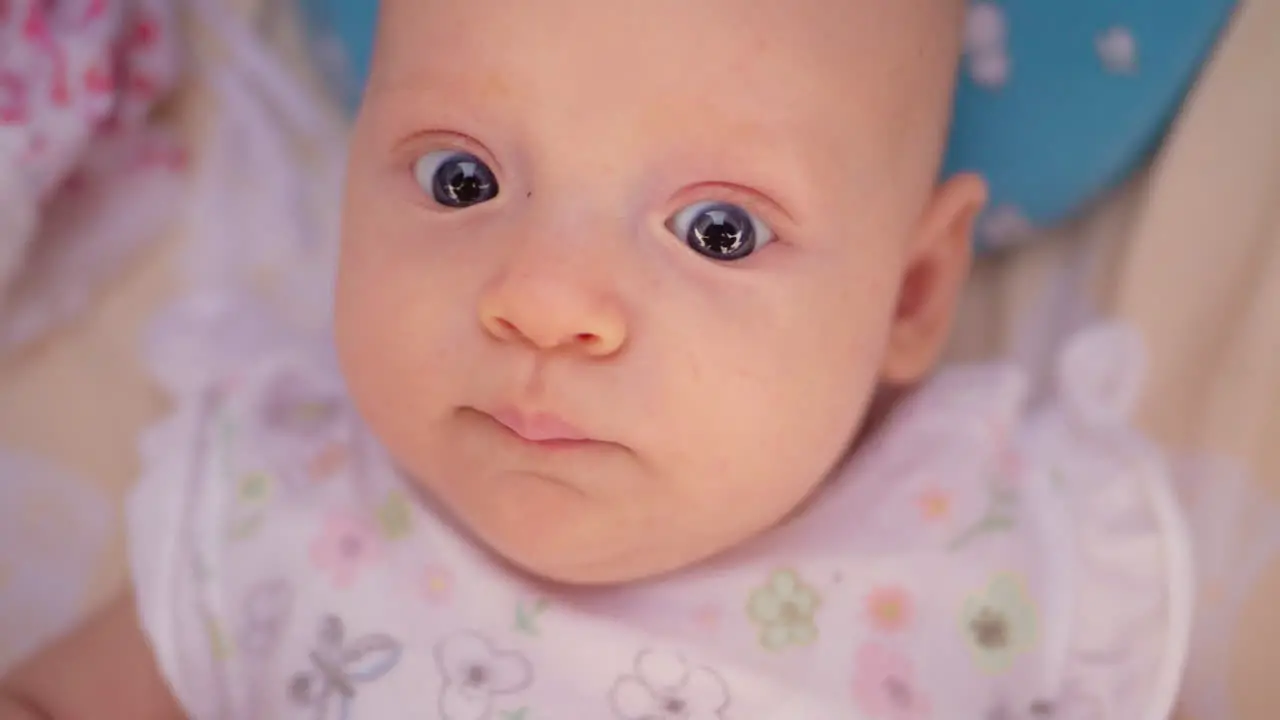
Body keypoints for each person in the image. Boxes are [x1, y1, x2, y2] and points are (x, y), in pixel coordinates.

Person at [0, 0, 1190, 717]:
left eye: (717, 230)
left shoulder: (984, 575)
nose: (543, 303)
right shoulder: (284, 506)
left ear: (910, 294)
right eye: (460, 180)